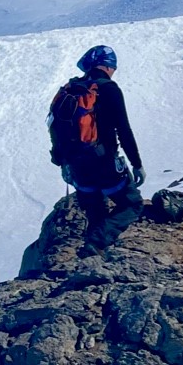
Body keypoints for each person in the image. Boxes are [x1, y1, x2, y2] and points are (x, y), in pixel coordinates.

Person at [48, 44, 146, 254]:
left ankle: (90, 255)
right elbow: (124, 130)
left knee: (95, 209)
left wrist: (63, 162)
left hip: (75, 163)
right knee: (132, 204)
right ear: (107, 67)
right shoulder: (108, 89)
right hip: (103, 160)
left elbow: (55, 126)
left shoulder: (71, 88)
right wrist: (137, 164)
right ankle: (96, 244)